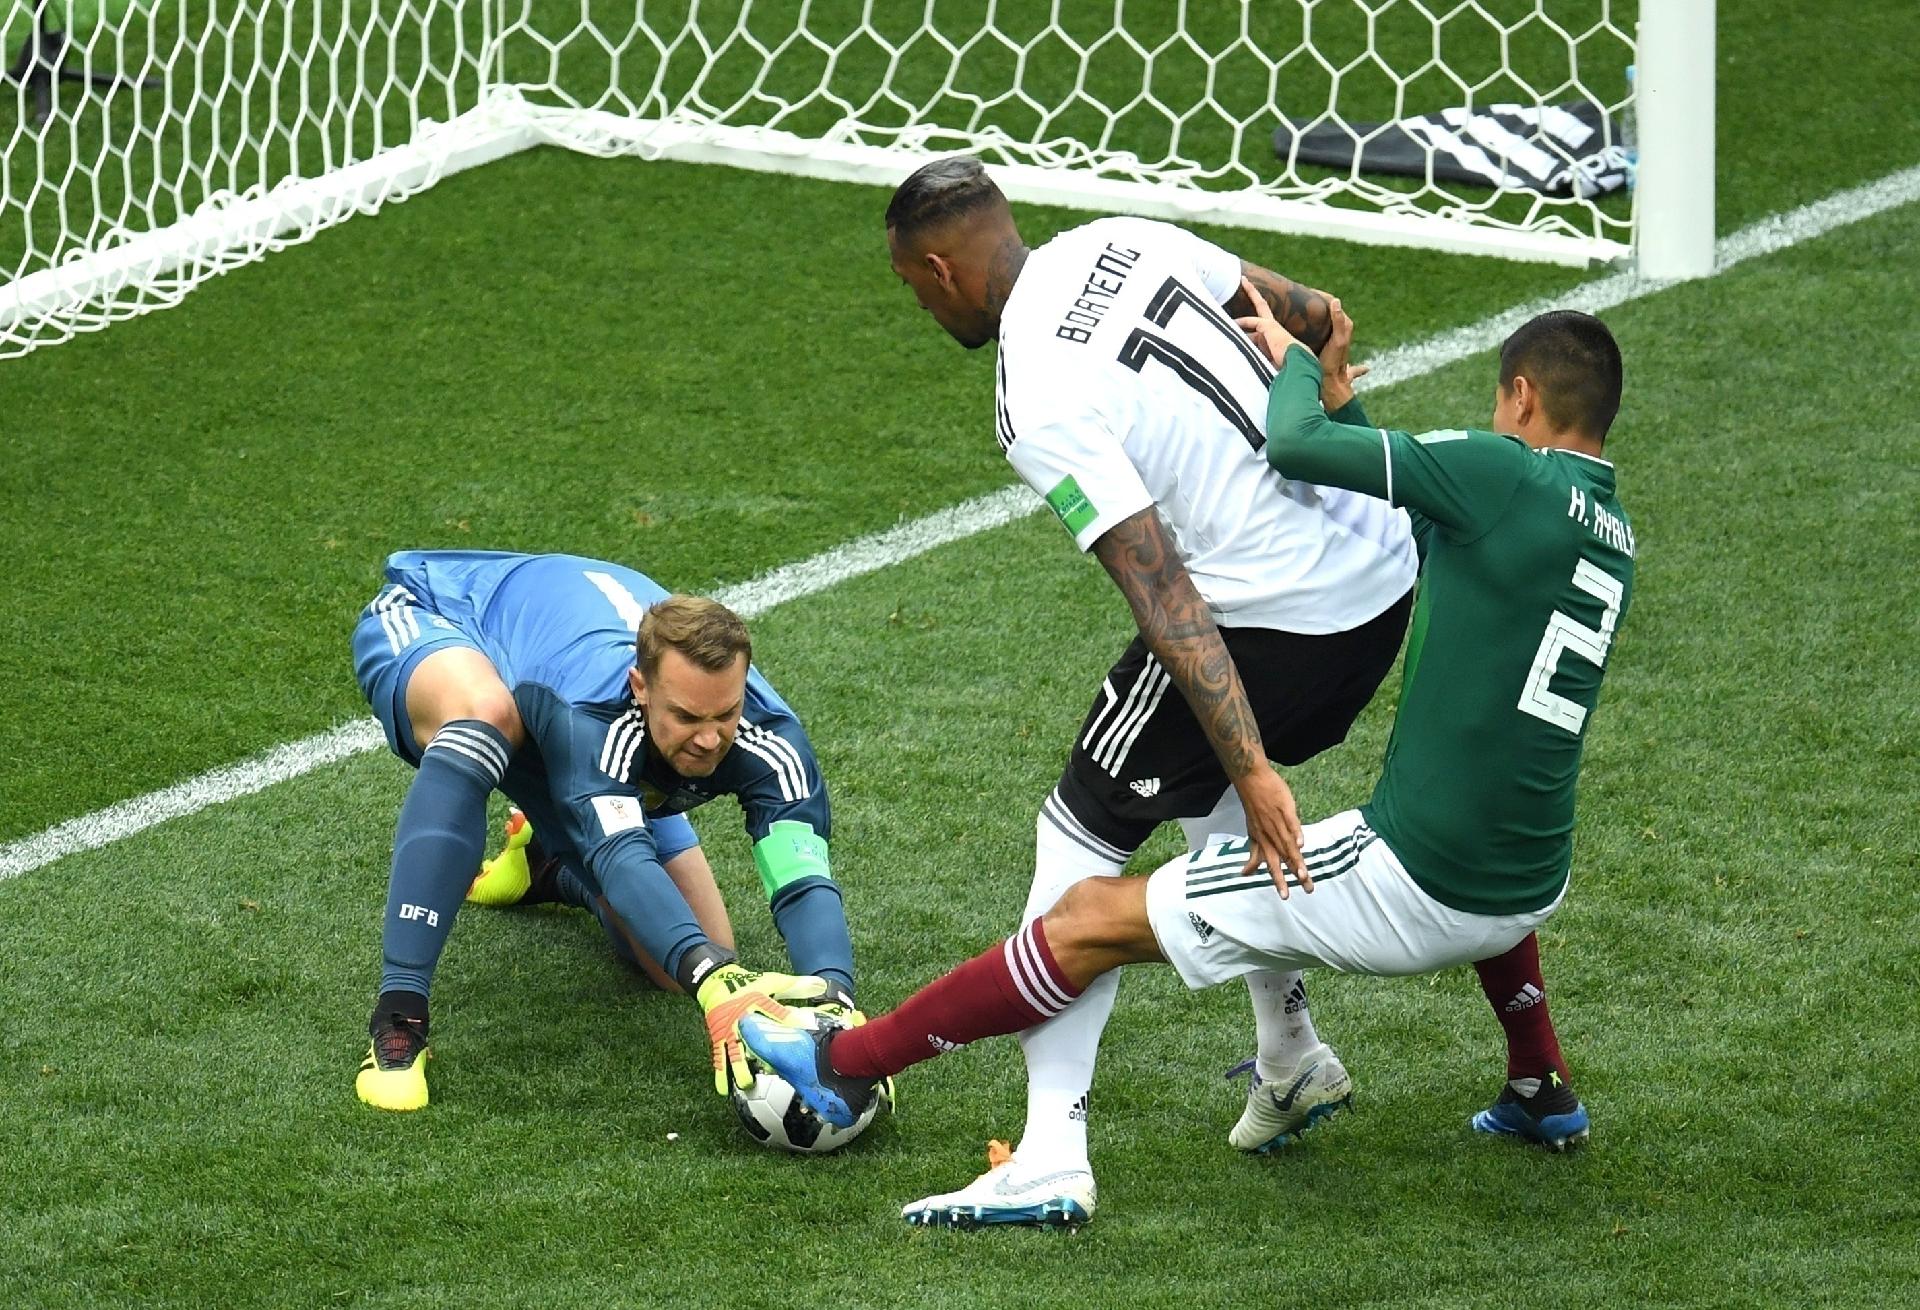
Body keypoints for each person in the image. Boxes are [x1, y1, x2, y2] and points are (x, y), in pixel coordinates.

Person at [744, 302, 1633, 1227]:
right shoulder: (1606, 528)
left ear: (1521, 397)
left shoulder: (1502, 474)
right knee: (1477, 827)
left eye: (1499, 402)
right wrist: (1346, 408)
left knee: (1085, 916)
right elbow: (1415, 505)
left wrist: (1295, 365)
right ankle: (1538, 1082)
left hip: (1418, 882)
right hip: (1532, 874)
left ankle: (847, 1068)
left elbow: (1293, 442)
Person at [881, 153, 1420, 1218]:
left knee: (1080, 835)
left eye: (909, 286)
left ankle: (1046, 1152)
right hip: (1383, 573)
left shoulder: (1031, 391)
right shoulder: (1119, 237)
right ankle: (1292, 1052)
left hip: (1283, 616)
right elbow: (1317, 315)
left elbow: (1164, 590)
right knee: (1206, 788)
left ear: (939, 269)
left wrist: (1258, 764)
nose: (916, 302)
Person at [348, 549, 857, 1111]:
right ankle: (399, 1015)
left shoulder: (772, 738)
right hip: (447, 616)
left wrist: (836, 997)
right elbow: (621, 856)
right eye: (686, 717)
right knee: (485, 717)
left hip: (562, 708)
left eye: (725, 715)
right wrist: (715, 979)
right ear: (640, 687)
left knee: (694, 954)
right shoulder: (596, 715)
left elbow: (802, 875)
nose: (711, 739)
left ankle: (547, 866)